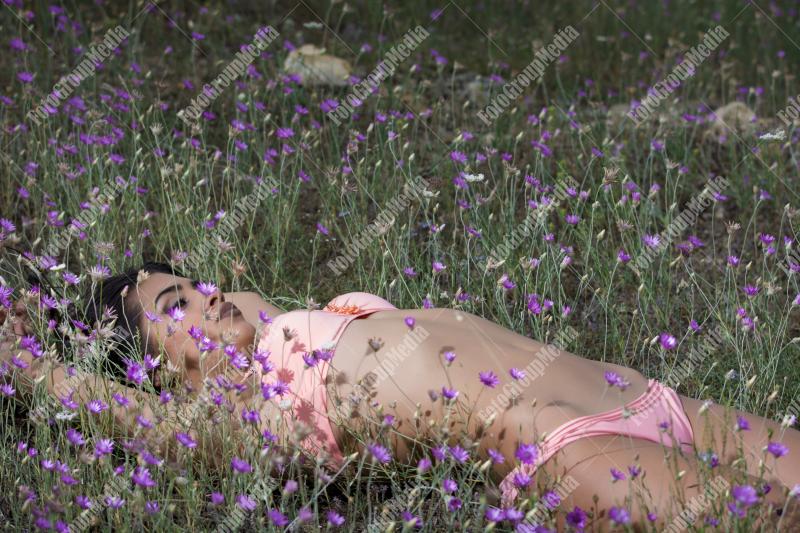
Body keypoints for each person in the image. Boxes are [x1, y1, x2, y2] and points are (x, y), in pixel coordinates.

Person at [2, 261, 799, 528]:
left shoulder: (281, 326)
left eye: (195, 281)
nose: (207, 295)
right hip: (566, 443)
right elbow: (141, 418)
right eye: (175, 308)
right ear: (156, 373)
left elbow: (236, 305)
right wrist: (32, 363)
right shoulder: (249, 414)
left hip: (657, 397)